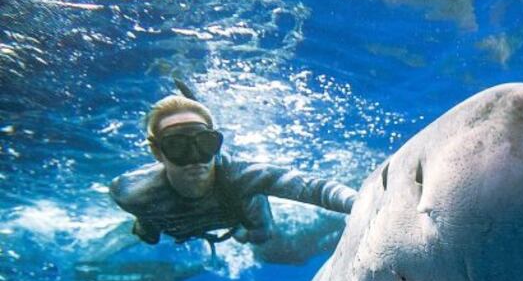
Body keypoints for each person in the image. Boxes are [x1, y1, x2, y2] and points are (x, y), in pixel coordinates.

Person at [109, 93, 356, 253]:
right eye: (177, 146)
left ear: (216, 144)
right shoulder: (130, 193)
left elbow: (314, 188)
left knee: (259, 237)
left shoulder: (243, 176)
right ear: (157, 152)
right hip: (175, 223)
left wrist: (360, 203)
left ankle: (243, 225)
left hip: (237, 215)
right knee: (148, 236)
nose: (195, 158)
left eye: (205, 143)